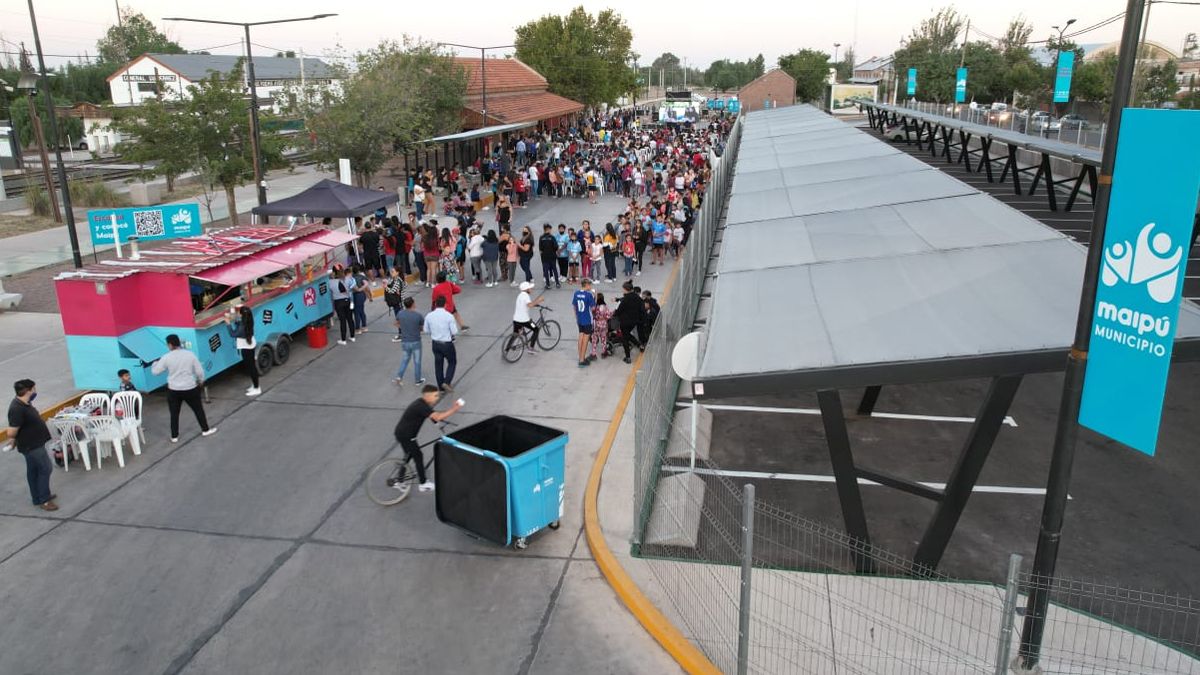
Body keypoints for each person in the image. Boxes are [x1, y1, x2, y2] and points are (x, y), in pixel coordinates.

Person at [393, 385, 464, 492]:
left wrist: (439, 426)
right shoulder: (421, 406)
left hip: (402, 433)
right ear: (427, 396)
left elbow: (432, 417)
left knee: (408, 455)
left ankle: (399, 480)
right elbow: (437, 416)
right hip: (407, 436)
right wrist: (454, 409)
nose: (437, 398)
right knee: (418, 456)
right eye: (435, 395)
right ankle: (423, 483)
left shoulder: (423, 403)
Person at [149, 334, 216, 442]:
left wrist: (154, 363)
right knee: (198, 410)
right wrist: (201, 380)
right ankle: (205, 429)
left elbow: (155, 372)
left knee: (174, 413)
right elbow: (199, 370)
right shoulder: (190, 354)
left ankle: (174, 436)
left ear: (170, 345)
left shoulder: (166, 357)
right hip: (190, 387)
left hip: (174, 390)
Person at [5, 379, 57, 511]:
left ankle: (38, 497)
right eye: (34, 389)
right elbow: (11, 431)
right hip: (31, 446)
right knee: (45, 468)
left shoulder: (25, 403)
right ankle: (44, 500)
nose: (35, 391)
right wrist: (13, 439)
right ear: (28, 391)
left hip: (35, 443)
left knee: (33, 471)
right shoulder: (16, 408)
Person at [424, 296, 459, 392]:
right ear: (445, 304)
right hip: (447, 344)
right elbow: (454, 331)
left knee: (438, 365)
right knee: (452, 362)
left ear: (435, 304)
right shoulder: (449, 316)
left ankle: (440, 386)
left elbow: (426, 330)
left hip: (435, 344)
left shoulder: (429, 316)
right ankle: (447, 382)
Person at [225, 305, 261, 396]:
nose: (238, 314)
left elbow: (233, 334)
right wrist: (235, 318)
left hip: (246, 347)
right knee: (251, 366)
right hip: (249, 345)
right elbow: (239, 323)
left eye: (239, 313)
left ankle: (257, 388)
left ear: (242, 315)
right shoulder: (248, 321)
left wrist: (228, 323)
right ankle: (255, 385)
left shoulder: (242, 326)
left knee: (251, 367)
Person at [394, 297, 426, 386]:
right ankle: (417, 380)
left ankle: (399, 376)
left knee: (405, 360)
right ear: (412, 304)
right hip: (415, 340)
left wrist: (404, 328)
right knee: (417, 361)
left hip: (405, 341)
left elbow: (396, 323)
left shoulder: (400, 313)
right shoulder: (418, 315)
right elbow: (422, 328)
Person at [613, 281, 645, 364]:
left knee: (625, 338)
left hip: (625, 322)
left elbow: (619, 311)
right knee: (627, 334)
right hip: (634, 321)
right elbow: (642, 308)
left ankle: (628, 357)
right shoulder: (637, 297)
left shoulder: (625, 299)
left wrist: (614, 314)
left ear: (625, 289)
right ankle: (639, 345)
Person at [513, 281, 543, 353]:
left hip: (516, 319)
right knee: (536, 329)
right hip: (524, 320)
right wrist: (539, 300)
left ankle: (507, 349)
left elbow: (527, 304)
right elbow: (530, 305)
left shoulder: (520, 295)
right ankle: (531, 348)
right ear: (527, 289)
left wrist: (535, 303)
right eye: (530, 288)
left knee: (515, 335)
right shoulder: (526, 296)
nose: (531, 289)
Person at [572, 278, 596, 367]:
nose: (590, 287)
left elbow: (574, 306)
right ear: (587, 285)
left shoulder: (576, 293)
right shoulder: (588, 295)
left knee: (580, 337)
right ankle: (582, 360)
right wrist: (595, 296)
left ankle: (580, 357)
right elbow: (593, 308)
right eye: (590, 285)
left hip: (579, 319)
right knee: (585, 340)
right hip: (586, 320)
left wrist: (577, 318)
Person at [329, 263, 354, 345]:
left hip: (338, 302)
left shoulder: (330, 282)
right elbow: (352, 287)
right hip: (348, 301)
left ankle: (343, 340)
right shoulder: (348, 279)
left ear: (333, 272)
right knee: (350, 319)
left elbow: (330, 292)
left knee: (342, 321)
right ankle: (352, 337)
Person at [385, 265, 406, 342]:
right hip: (398, 303)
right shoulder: (395, 279)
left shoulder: (397, 281)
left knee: (399, 319)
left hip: (399, 303)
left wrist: (385, 287)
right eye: (391, 271)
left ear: (397, 272)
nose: (391, 273)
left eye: (393, 272)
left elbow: (391, 291)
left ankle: (401, 335)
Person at [591, 292, 612, 359]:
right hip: (603, 325)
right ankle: (603, 352)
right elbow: (608, 316)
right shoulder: (605, 307)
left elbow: (593, 314)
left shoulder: (595, 307)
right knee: (603, 339)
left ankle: (593, 353)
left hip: (596, 324)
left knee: (594, 339)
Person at [539, 224, 560, 289]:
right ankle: (557, 283)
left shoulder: (541, 237)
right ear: (548, 229)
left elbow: (540, 248)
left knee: (546, 271)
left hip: (544, 257)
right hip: (552, 256)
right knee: (554, 270)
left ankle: (547, 284)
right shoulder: (552, 237)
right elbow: (556, 247)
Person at [351, 265, 371, 334]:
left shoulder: (351, 277)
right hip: (361, 295)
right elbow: (366, 285)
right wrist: (362, 290)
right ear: (359, 271)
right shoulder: (362, 277)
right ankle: (364, 326)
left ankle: (357, 328)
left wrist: (358, 290)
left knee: (356, 312)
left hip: (354, 295)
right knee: (361, 310)